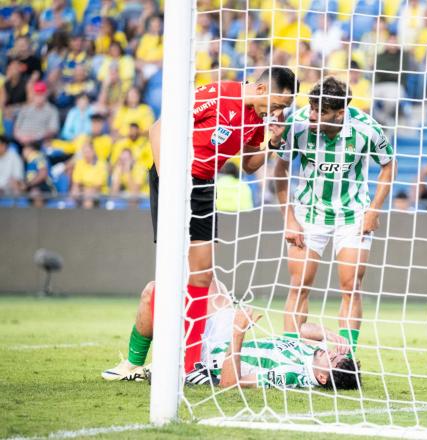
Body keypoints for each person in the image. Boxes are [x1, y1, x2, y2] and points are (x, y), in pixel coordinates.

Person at [121, 66, 298, 375]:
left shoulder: (258, 119)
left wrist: (272, 143)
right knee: (173, 268)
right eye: (279, 104)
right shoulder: (218, 94)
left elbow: (248, 165)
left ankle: (189, 366)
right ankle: (133, 363)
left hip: (204, 186)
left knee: (202, 274)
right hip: (174, 178)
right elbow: (159, 129)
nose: (279, 112)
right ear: (260, 90)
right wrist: (169, 181)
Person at [272, 77, 396, 357]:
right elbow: (279, 171)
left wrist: (374, 210)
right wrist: (289, 218)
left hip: (352, 215)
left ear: (340, 113)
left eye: (320, 111)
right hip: (308, 214)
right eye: (312, 107)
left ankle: (344, 358)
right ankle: (292, 356)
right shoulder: (298, 124)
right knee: (299, 285)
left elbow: (389, 165)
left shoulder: (366, 129)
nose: (313, 114)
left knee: (351, 286)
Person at [102, 280, 360, 392]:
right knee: (204, 274)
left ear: (323, 376)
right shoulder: (314, 354)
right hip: (227, 333)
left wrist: (238, 332)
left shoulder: (290, 375)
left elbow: (230, 382)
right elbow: (302, 330)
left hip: (214, 352)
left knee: (153, 292)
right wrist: (327, 334)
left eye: (334, 360)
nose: (332, 354)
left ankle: (136, 364)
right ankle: (144, 363)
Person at [13, 81, 59, 150]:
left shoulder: (52, 110)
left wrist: (35, 137)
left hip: (39, 142)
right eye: (37, 94)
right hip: (20, 141)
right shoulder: (26, 108)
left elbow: (53, 130)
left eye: (41, 94)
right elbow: (16, 128)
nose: (39, 97)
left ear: (45, 94)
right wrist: (21, 137)